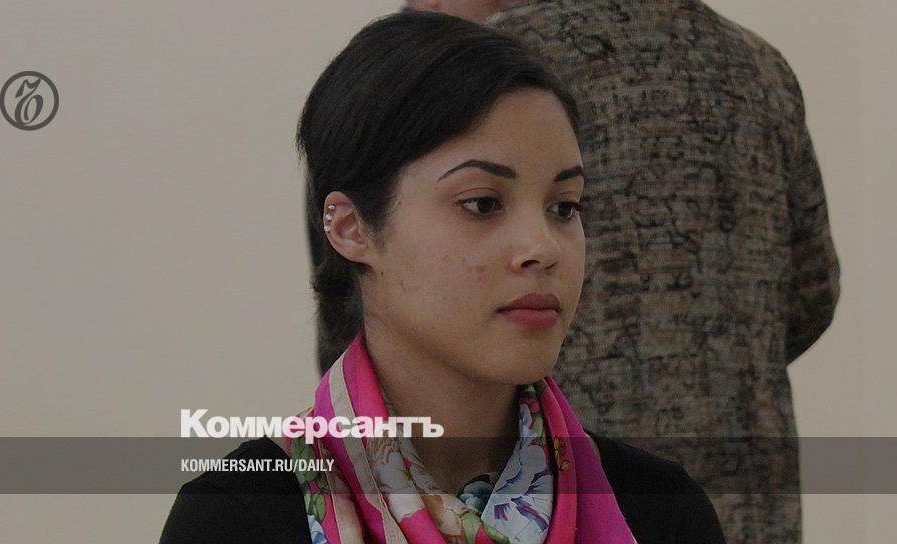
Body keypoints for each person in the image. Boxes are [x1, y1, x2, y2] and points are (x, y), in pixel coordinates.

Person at [162, 12, 725, 544]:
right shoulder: (241, 519)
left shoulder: (660, 512)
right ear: (353, 228)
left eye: (564, 207)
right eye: (482, 203)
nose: (542, 248)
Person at [379, 2, 840, 544]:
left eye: (565, 208)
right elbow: (812, 294)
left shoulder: (505, 62)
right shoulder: (761, 69)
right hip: (748, 491)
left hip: (559, 493)